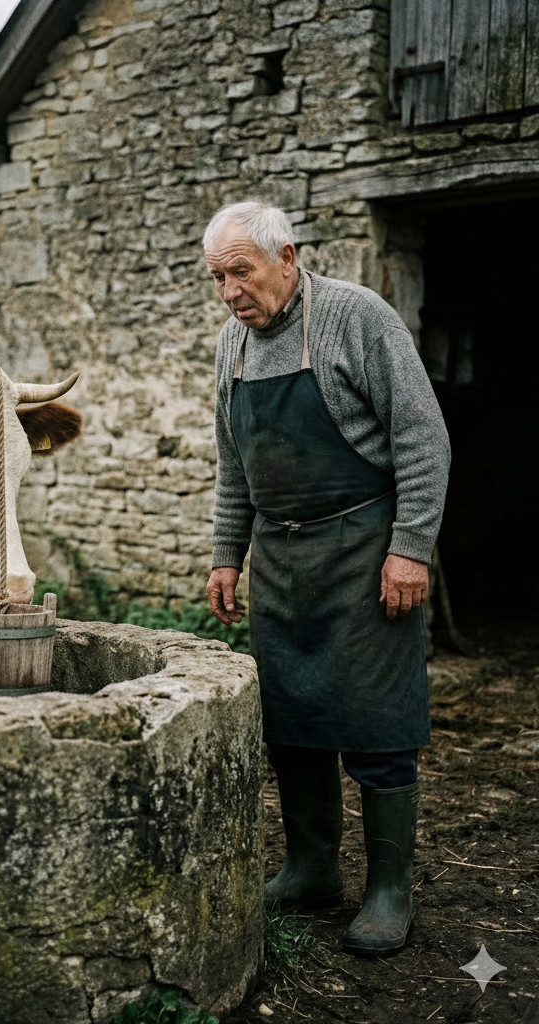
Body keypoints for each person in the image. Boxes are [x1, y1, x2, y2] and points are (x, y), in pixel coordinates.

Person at [202, 200, 450, 957]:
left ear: (287, 257)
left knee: (377, 724)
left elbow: (422, 437)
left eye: (240, 272)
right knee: (292, 721)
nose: (230, 292)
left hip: (366, 553)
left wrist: (411, 547)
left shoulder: (357, 317)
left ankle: (387, 891)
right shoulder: (230, 347)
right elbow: (234, 466)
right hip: (281, 561)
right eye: (216, 278)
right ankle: (312, 869)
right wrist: (225, 554)